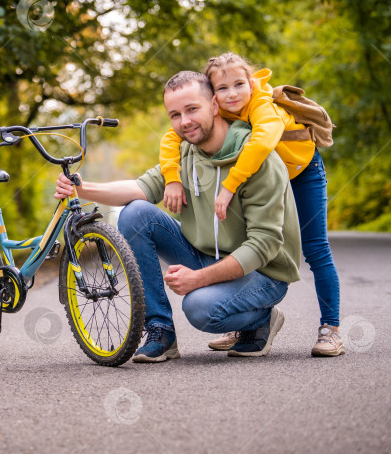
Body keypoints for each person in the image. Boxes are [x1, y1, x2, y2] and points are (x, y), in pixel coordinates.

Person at [54, 71, 301, 362]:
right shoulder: (184, 155)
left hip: (263, 273)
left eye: (192, 109)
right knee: (135, 213)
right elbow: (140, 188)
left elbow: (263, 245)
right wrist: (82, 188)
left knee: (200, 309)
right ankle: (160, 330)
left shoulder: (258, 160)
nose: (184, 122)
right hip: (208, 255)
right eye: (175, 114)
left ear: (215, 105)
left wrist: (198, 278)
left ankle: (261, 320)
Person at [158, 53, 344, 357]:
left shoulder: (260, 104)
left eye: (239, 84)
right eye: (222, 88)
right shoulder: (222, 112)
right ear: (212, 96)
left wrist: (229, 186)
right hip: (260, 177)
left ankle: (331, 328)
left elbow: (261, 142)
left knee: (316, 248)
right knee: (241, 240)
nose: (232, 94)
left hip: (300, 171)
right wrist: (172, 178)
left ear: (252, 82)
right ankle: (247, 323)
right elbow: (170, 139)